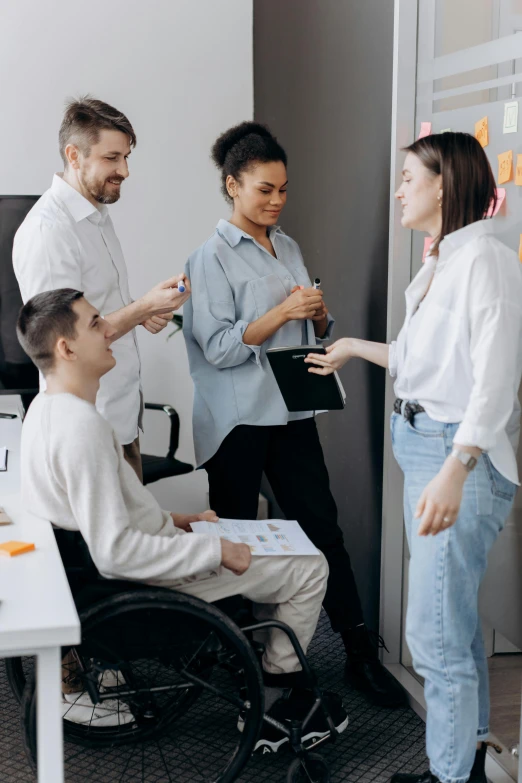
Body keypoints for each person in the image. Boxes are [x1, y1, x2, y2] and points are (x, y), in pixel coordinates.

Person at [17, 287, 347, 749]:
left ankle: (253, 653)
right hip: (136, 583)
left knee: (262, 540)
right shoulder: (81, 428)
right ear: (66, 348)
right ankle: (273, 700)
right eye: (95, 324)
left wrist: (177, 519)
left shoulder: (44, 411)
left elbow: (95, 512)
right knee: (310, 567)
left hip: (107, 568)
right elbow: (115, 553)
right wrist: (214, 549)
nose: (110, 328)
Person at [305, 132, 522, 783]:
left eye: (408, 177)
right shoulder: (442, 262)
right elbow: (424, 361)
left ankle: (449, 776)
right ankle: (470, 763)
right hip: (425, 444)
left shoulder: (485, 259)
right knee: (450, 623)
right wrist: (351, 348)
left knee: (434, 636)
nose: (398, 189)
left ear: (444, 184)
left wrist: (457, 466)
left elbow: (495, 380)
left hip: (455, 454)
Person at [183, 121, 405, 707]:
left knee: (322, 529)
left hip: (292, 415)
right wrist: (284, 312)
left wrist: (318, 318)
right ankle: (238, 657)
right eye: (264, 190)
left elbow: (307, 329)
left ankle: (359, 651)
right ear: (233, 185)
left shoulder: (289, 247)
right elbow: (222, 348)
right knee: (234, 540)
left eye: (283, 190)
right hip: (236, 421)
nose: (277, 201)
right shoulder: (209, 260)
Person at [13, 96, 190, 481]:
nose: (124, 170)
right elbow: (65, 341)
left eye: (126, 158)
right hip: (91, 428)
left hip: (121, 420)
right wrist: (142, 308)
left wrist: (144, 313)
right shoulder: (49, 232)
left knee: (138, 536)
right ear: (74, 156)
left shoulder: (96, 218)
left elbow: (98, 311)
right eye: (112, 158)